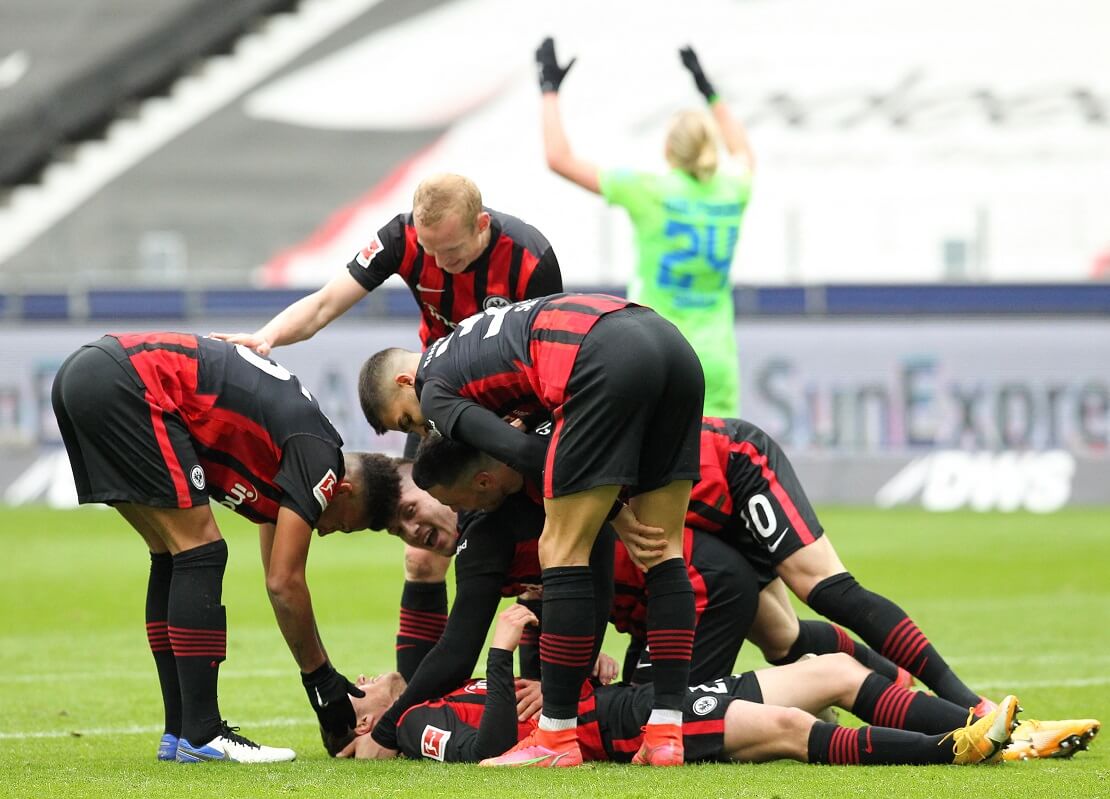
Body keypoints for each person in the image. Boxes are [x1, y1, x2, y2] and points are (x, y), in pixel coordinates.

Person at [359, 293, 705, 766]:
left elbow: (520, 455)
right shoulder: (468, 341)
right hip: (666, 340)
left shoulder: (435, 390)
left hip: (600, 356)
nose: (422, 433)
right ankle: (667, 734)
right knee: (661, 552)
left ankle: (555, 740)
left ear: (405, 381)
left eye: (406, 420)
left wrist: (613, 507)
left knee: (560, 548)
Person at [50, 332, 377, 763]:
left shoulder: (287, 464)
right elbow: (284, 583)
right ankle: (203, 733)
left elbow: (277, 583)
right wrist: (321, 678)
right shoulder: (321, 458)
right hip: (130, 381)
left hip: (86, 373)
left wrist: (318, 677)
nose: (325, 531)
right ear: (344, 490)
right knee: (201, 550)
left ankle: (179, 731)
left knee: (169, 553)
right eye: (344, 527)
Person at [413, 423, 910, 690]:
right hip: (688, 560)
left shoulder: (532, 483)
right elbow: (544, 610)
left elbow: (580, 587)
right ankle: (889, 682)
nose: (414, 536)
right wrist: (558, 679)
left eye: (408, 517)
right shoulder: (507, 507)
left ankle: (843, 685)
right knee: (784, 634)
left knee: (825, 592)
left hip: (714, 514)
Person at [333, 605, 1026, 767]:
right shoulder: (422, 719)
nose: (364, 679)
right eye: (355, 692)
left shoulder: (435, 688)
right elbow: (487, 753)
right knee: (787, 730)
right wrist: (504, 649)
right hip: (631, 730)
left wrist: (575, 668)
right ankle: (953, 747)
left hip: (634, 698)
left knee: (841, 671)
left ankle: (1012, 732)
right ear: (368, 726)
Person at [688, 416, 993, 714]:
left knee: (827, 587)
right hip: (693, 516)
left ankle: (969, 704)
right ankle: (893, 680)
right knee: (781, 640)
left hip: (729, 465)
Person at [536, 37, 754, 417]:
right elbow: (744, 153)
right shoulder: (733, 189)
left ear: (668, 150)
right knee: (716, 469)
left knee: (653, 472)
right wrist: (710, 92)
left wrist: (549, 90)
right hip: (716, 360)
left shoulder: (648, 191)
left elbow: (559, 158)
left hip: (657, 352)